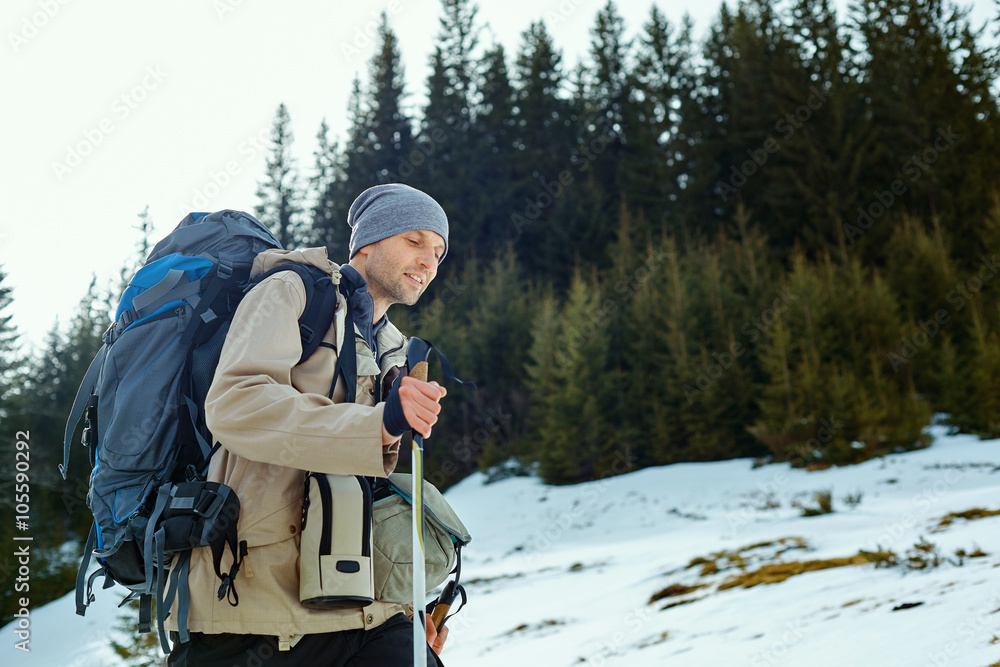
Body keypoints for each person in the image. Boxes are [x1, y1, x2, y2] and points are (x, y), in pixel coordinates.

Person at [166, 183, 453, 666]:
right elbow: (237, 403)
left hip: (361, 607)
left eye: (440, 252)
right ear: (368, 242)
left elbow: (367, 486)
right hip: (252, 610)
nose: (429, 261)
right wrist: (378, 427)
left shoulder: (394, 348)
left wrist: (406, 602)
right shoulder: (292, 291)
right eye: (415, 240)